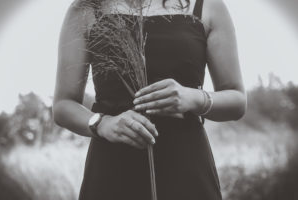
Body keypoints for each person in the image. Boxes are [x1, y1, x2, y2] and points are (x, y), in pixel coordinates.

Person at [53, 0, 247, 199]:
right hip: (112, 168)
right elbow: (63, 105)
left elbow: (237, 100)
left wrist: (195, 98)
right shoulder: (85, 8)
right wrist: (102, 123)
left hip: (186, 166)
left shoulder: (207, 6)